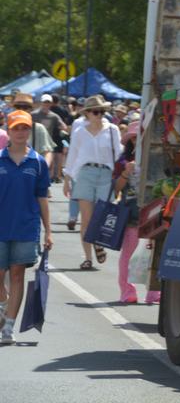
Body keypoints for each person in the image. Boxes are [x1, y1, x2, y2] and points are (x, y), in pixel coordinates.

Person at [0, 109, 52, 345]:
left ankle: (8, 326)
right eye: (16, 128)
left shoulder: (38, 163)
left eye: (24, 128)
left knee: (18, 275)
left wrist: (48, 231)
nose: (20, 133)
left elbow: (42, 198)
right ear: (8, 131)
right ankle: (3, 305)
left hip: (26, 227)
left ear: (30, 130)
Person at [63, 94, 120, 270]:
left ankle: (98, 242)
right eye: (95, 111)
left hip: (105, 174)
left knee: (102, 216)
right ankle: (88, 257)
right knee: (86, 220)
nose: (99, 114)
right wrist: (67, 179)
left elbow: (118, 155)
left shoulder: (112, 130)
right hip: (85, 173)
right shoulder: (80, 131)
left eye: (102, 111)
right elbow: (72, 155)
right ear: (87, 113)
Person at [112, 124, 159, 305]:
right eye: (133, 138)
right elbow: (116, 188)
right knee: (128, 254)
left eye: (141, 137)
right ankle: (127, 290)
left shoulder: (157, 158)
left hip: (153, 212)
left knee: (153, 253)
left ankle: (153, 291)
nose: (137, 141)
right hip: (131, 214)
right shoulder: (123, 160)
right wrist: (125, 173)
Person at [11, 93, 54, 168]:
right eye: (18, 107)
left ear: (31, 109)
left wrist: (43, 169)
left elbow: (47, 152)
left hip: (33, 173)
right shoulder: (5, 128)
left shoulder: (39, 128)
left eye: (25, 107)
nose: (21, 110)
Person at [34, 94, 68, 182]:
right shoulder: (34, 114)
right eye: (45, 102)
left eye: (48, 102)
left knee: (48, 164)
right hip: (34, 142)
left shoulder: (54, 116)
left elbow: (63, 126)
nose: (46, 104)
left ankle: (45, 184)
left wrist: (62, 128)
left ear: (51, 104)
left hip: (47, 143)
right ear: (41, 103)